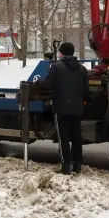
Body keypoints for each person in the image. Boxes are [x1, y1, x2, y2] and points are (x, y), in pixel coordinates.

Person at [37, 42, 89, 174]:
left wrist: (38, 83)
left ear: (62, 53)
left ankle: (66, 165)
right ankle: (77, 164)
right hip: (77, 109)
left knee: (63, 137)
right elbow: (86, 91)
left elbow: (47, 85)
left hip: (61, 108)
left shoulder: (56, 67)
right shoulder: (82, 69)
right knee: (76, 135)